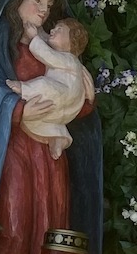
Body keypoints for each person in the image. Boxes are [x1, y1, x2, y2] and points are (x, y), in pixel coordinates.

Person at [0, 0, 104, 254]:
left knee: (50, 223)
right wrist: (18, 110)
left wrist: (84, 101)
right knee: (12, 222)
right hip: (13, 149)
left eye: (49, 4)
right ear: (17, 1)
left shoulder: (56, 51)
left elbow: (71, 96)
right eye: (38, 0)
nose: (44, 9)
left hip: (48, 152)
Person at [6, 18, 93, 159]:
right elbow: (46, 39)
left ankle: (22, 88)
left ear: (71, 41)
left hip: (63, 95)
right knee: (50, 120)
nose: (52, 30)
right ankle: (58, 139)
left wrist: (34, 37)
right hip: (66, 108)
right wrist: (39, 31)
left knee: (42, 84)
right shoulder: (70, 60)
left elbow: (47, 54)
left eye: (59, 29)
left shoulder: (69, 59)